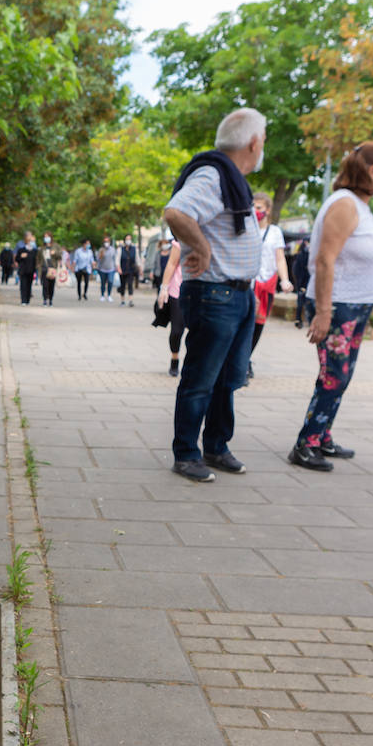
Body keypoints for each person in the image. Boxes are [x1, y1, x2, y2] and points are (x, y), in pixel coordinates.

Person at [162, 107, 267, 482]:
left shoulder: (230, 177)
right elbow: (175, 213)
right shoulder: (213, 175)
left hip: (237, 294)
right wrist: (202, 248)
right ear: (254, 143)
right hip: (214, 293)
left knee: (228, 378)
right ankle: (187, 453)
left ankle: (217, 447)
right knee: (201, 378)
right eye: (263, 142)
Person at [288, 142, 373, 471]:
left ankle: (322, 435)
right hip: (338, 307)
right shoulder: (345, 205)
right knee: (334, 376)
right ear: (372, 171)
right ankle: (305, 444)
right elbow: (324, 260)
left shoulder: (360, 206)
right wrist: (323, 312)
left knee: (342, 375)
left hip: (355, 307)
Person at [247, 192, 293, 378]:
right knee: (245, 322)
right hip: (248, 282)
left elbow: (279, 258)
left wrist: (285, 279)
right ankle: (240, 360)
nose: (255, 211)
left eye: (259, 208)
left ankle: (245, 358)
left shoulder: (275, 232)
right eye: (253, 207)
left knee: (258, 324)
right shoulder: (246, 227)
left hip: (267, 283)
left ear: (267, 210)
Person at [155, 238, 185, 375]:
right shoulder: (181, 239)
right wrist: (164, 288)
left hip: (201, 293)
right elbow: (172, 264)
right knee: (176, 331)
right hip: (177, 292)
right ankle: (175, 358)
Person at [36, 233, 63, 306]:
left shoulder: (55, 246)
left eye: (47, 237)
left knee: (51, 285)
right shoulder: (42, 248)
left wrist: (55, 253)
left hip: (53, 268)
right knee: (45, 285)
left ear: (51, 237)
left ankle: (50, 299)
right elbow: (38, 257)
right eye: (45, 237)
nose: (46, 238)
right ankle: (45, 299)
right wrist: (38, 266)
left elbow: (60, 256)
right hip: (44, 268)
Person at [291, 238, 312, 327]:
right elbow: (297, 270)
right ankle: (298, 320)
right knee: (301, 302)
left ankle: (304, 320)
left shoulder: (310, 254)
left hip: (308, 282)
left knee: (306, 302)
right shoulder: (302, 255)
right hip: (303, 282)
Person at [14, 230, 37, 306]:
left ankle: (27, 300)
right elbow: (17, 258)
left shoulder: (34, 251)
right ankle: (23, 300)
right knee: (23, 285)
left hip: (31, 270)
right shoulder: (21, 249)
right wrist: (21, 256)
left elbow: (36, 260)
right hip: (23, 270)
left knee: (29, 285)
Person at [118, 235, 139, 306]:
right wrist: (118, 268)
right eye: (127, 239)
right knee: (122, 285)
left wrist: (140, 268)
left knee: (130, 285)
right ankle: (122, 301)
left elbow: (137, 259)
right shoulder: (120, 249)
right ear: (124, 240)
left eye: (129, 239)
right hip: (122, 270)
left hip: (131, 270)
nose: (128, 240)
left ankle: (130, 301)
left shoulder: (134, 249)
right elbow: (117, 260)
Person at [96, 235, 118, 301]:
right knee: (103, 283)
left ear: (110, 242)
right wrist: (100, 256)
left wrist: (116, 267)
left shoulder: (113, 249)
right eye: (105, 241)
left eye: (107, 241)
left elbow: (115, 259)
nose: (106, 243)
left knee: (110, 282)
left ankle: (109, 295)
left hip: (111, 269)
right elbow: (98, 260)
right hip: (102, 269)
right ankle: (102, 295)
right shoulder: (101, 250)